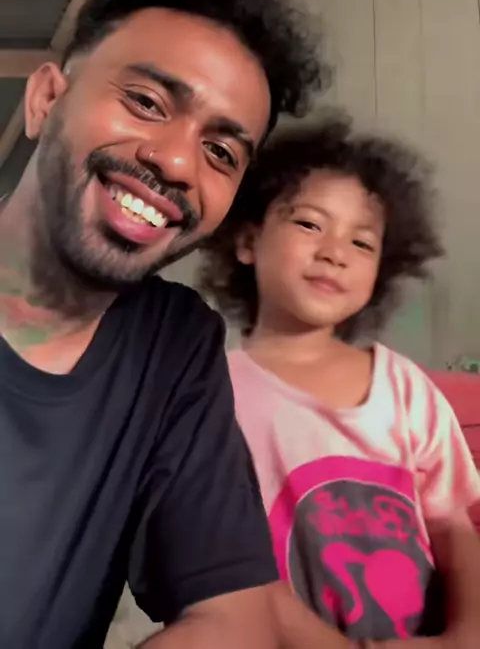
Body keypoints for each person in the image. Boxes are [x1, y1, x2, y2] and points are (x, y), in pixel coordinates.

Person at [0, 0, 326, 648]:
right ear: (46, 99)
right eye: (146, 102)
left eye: (221, 153)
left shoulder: (174, 346)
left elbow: (234, 617)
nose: (177, 162)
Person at [200, 117, 480, 648]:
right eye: (310, 224)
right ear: (248, 240)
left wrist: (467, 634)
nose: (336, 252)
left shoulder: (405, 388)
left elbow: (451, 525)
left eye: (362, 242)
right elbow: (232, 566)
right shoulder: (214, 396)